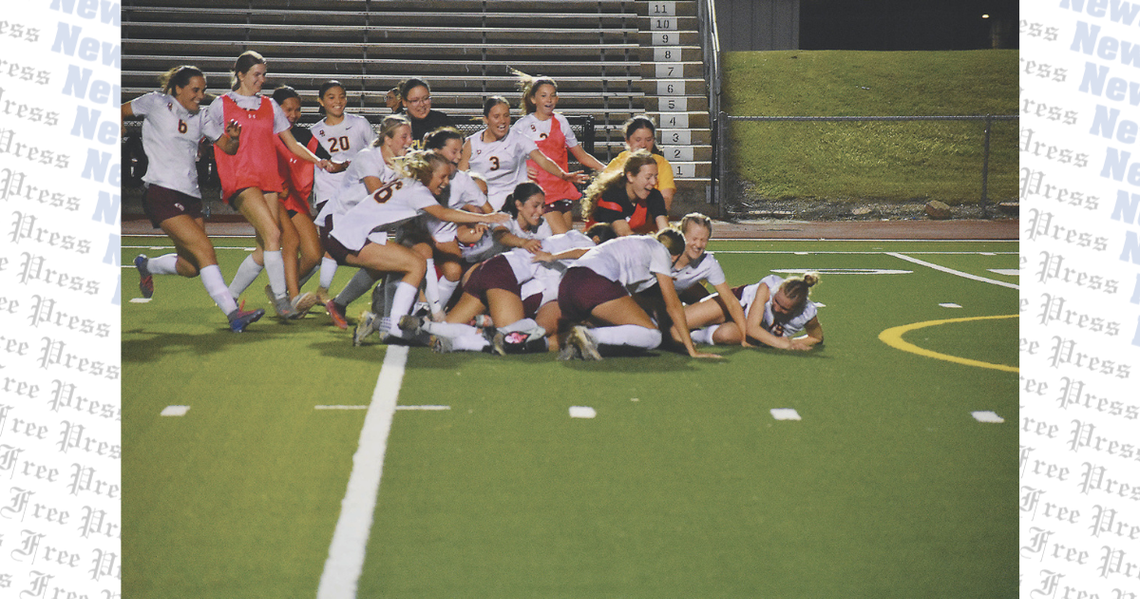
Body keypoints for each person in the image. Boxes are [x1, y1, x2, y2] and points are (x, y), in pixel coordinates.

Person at [121, 65, 265, 332]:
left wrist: (234, 139)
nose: (200, 95)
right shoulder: (155, 102)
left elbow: (227, 148)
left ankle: (146, 264)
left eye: (203, 90)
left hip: (191, 195)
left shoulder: (202, 117)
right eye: (195, 90)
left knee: (190, 266)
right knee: (205, 250)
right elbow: (119, 110)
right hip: (161, 192)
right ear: (177, 88)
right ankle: (233, 314)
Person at [323, 150, 508, 344]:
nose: (446, 183)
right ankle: (393, 324)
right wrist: (485, 217)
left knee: (410, 262)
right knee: (415, 264)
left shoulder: (408, 183)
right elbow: (443, 214)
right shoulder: (418, 191)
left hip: (347, 233)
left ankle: (383, 320)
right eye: (442, 177)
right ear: (428, 174)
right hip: (349, 238)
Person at [202, 50, 333, 319]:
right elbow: (203, 130)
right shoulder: (222, 104)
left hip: (268, 180)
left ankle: (230, 297)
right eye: (256, 74)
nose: (262, 79)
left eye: (264, 74)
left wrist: (318, 161)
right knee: (276, 235)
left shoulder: (269, 106)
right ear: (240, 75)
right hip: (240, 180)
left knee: (264, 250)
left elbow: (292, 144)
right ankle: (284, 301)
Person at [557, 230, 719, 360]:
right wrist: (691, 349)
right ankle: (589, 335)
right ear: (675, 256)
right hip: (595, 282)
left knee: (607, 327)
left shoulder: (637, 242)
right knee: (651, 336)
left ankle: (543, 342)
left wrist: (552, 257)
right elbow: (673, 305)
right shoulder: (661, 252)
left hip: (567, 283)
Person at [314, 114, 412, 324]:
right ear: (387, 139)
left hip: (364, 227)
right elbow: (377, 196)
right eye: (404, 136)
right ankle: (388, 321)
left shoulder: (398, 164)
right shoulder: (368, 157)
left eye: (409, 136)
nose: (409, 141)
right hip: (339, 225)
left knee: (381, 266)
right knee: (406, 262)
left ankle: (339, 305)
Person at [511, 70, 607, 233]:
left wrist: (606, 170)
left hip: (562, 189)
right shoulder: (523, 125)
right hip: (541, 192)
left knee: (565, 241)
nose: (549, 99)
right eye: (543, 95)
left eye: (552, 95)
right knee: (564, 240)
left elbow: (581, 154)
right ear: (533, 99)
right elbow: (506, 154)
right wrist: (523, 167)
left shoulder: (561, 122)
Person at [459, 95, 587, 212]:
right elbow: (461, 176)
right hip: (483, 205)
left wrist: (563, 175)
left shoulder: (518, 138)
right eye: (496, 117)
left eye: (506, 115)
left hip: (514, 205)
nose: (502, 121)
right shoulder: (472, 144)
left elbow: (542, 159)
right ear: (486, 119)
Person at [269, 85, 323, 315]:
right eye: (287, 110)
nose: (293, 115)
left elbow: (325, 158)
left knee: (313, 254)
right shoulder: (265, 133)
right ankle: (292, 298)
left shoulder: (304, 136)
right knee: (289, 242)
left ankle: (279, 289)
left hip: (295, 199)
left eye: (297, 110)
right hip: (272, 197)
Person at [684, 273, 824, 351]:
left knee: (725, 335)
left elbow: (816, 337)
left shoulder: (806, 313)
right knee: (678, 322)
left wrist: (795, 343)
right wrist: (782, 344)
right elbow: (752, 328)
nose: (776, 308)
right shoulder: (768, 286)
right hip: (733, 305)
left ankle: (693, 335)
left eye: (784, 308)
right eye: (776, 301)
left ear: (797, 308)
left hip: (742, 329)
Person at [581, 150, 669, 236]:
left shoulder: (654, 195)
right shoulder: (610, 196)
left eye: (655, 177)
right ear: (630, 176)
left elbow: (665, 231)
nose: (653, 182)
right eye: (648, 177)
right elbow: (624, 234)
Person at [602, 116, 676, 213]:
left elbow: (666, 200)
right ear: (627, 140)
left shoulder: (662, 163)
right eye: (638, 140)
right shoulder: (617, 162)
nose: (643, 145)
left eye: (648, 140)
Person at [398, 78, 453, 150]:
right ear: (404, 102)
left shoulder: (441, 121)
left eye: (426, 98)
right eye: (415, 100)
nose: (421, 104)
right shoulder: (397, 123)